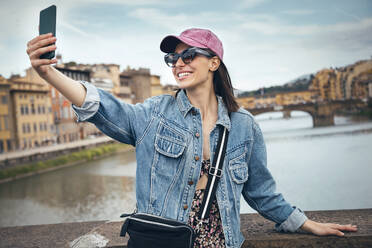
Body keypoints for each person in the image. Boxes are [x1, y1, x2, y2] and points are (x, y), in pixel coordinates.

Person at [26, 28, 357, 248]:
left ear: (214, 62)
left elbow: (261, 193)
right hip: (164, 241)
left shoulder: (244, 126)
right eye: (172, 58)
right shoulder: (154, 114)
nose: (178, 64)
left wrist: (306, 224)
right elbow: (105, 109)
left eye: (188, 56)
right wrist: (49, 74)